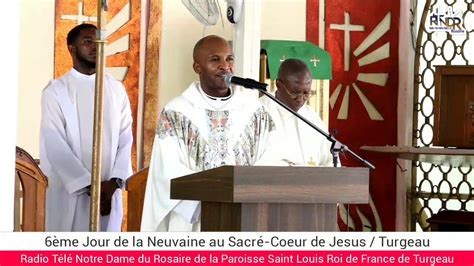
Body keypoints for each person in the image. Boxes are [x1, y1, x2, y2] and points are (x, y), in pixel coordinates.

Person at [141, 35, 276, 232]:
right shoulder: (177, 111)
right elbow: (167, 169)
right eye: (215, 60)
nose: (225, 66)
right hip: (196, 219)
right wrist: (208, 201)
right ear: (197, 67)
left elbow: (269, 158)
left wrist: (246, 195)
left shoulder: (254, 111)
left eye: (229, 59)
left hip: (245, 215)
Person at [40, 23, 133, 231]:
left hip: (109, 191)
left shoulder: (116, 89)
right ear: (72, 49)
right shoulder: (56, 91)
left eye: (99, 42)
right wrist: (89, 186)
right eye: (88, 42)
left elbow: (126, 137)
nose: (95, 47)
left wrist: (114, 183)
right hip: (71, 193)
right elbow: (54, 143)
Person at [259, 58, 333, 167]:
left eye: (306, 93)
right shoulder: (258, 112)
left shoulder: (312, 118)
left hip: (311, 183)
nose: (300, 99)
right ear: (279, 84)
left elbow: (329, 161)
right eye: (294, 92)